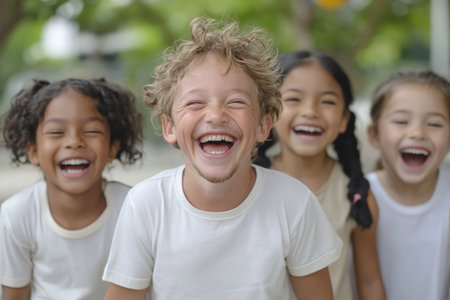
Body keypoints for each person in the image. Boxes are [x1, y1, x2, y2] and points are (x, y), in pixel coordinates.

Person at [102, 17, 342, 300]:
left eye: (236, 101)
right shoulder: (146, 205)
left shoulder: (294, 203)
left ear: (264, 126)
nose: (216, 115)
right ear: (170, 128)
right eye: (195, 102)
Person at [254, 50, 385, 300]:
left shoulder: (357, 196)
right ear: (269, 113)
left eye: (327, 101)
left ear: (345, 119)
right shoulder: (246, 184)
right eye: (293, 99)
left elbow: (369, 282)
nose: (310, 111)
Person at [0, 78, 143, 299]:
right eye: (57, 132)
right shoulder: (16, 215)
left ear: (112, 148)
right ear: (33, 151)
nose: (74, 142)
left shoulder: (133, 208)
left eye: (92, 131)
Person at [366, 70, 450, 300]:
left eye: (434, 124)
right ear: (374, 135)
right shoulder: (359, 196)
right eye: (401, 121)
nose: (417, 133)